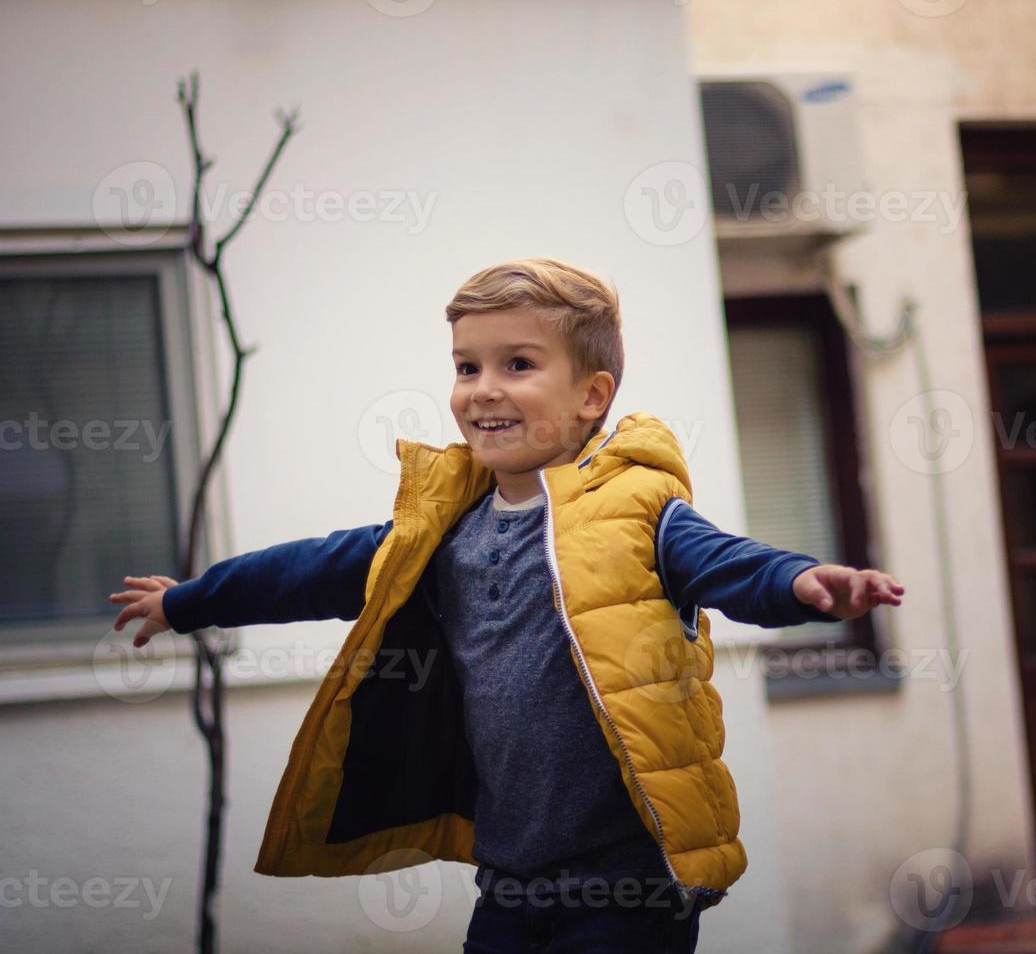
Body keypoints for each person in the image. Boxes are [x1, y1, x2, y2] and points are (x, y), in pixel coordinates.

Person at [109, 257, 905, 953]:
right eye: (466, 366)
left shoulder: (637, 508)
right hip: (510, 883)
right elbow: (315, 569)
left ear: (592, 395)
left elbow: (729, 565)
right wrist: (191, 601)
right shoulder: (442, 528)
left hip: (627, 885)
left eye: (518, 364)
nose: (483, 389)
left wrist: (803, 584)